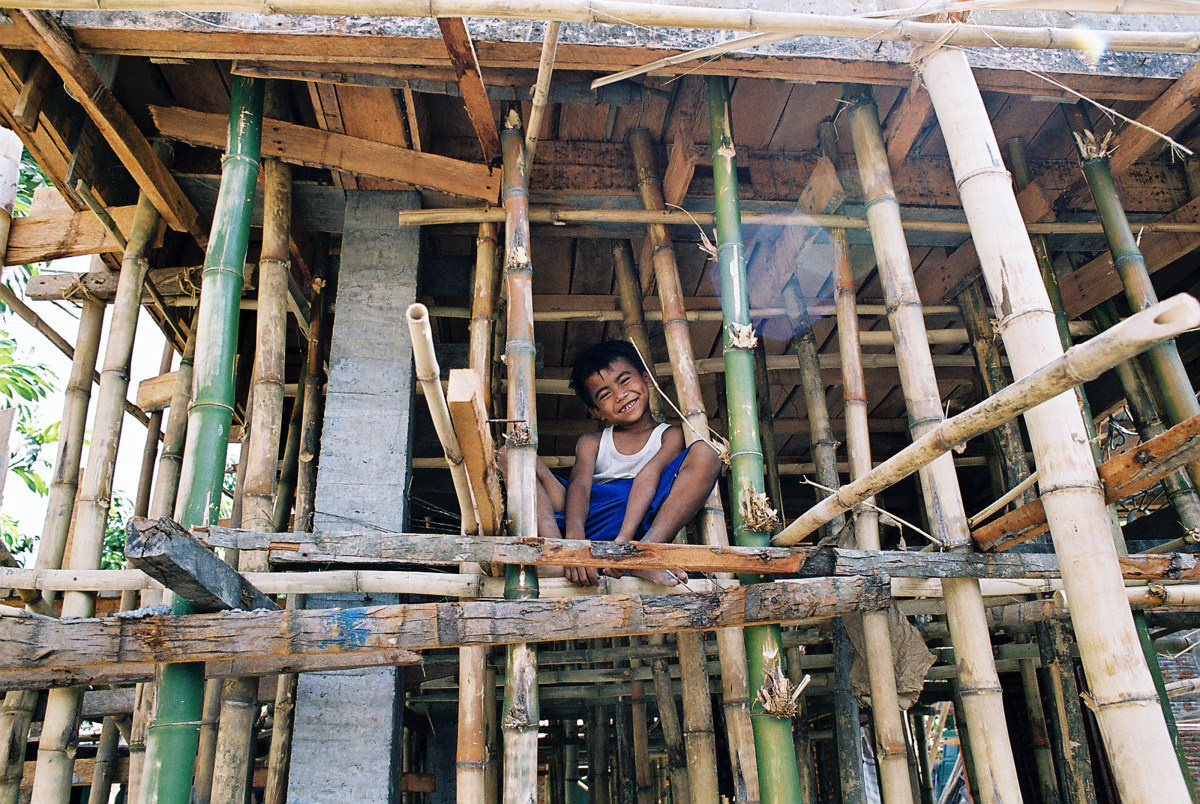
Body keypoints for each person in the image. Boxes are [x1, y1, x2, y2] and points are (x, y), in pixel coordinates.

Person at [533, 339, 722, 587]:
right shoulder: (592, 442)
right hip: (591, 525)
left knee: (707, 454)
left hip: (638, 527)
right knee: (534, 471)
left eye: (624, 381)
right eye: (605, 394)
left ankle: (644, 555)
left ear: (647, 379)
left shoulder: (669, 436)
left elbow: (649, 476)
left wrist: (625, 544)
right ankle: (567, 558)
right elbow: (579, 489)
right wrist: (575, 545)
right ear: (596, 411)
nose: (620, 395)